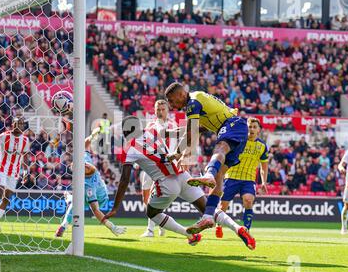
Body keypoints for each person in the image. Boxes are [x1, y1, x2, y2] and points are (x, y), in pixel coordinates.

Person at [103, 116, 255, 249]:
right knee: (207, 209)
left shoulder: (129, 148)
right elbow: (178, 131)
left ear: (125, 132)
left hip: (166, 183)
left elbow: (124, 180)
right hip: (183, 175)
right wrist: (201, 127)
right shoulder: (152, 131)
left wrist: (116, 207)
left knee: (152, 213)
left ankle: (189, 235)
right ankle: (237, 228)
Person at [164, 82, 249, 235]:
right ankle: (208, 216)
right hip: (236, 129)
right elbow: (195, 129)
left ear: (181, 94)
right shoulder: (196, 103)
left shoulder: (192, 102)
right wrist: (177, 153)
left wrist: (185, 153)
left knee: (220, 147)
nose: (170, 104)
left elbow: (191, 131)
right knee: (219, 175)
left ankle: (208, 175)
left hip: (233, 124)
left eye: (171, 100)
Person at [55, 129, 127, 237]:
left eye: (84, 164)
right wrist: (111, 226)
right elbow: (95, 210)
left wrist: (92, 136)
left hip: (94, 191)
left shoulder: (84, 160)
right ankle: (65, 222)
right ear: (82, 173)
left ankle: (69, 201)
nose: (85, 165)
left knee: (74, 201)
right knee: (76, 204)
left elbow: (85, 144)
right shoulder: (88, 186)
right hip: (100, 199)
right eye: (84, 167)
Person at [215, 118, 269, 238]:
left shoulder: (262, 146)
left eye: (255, 127)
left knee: (248, 200)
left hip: (248, 180)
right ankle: (219, 225)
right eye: (250, 126)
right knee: (223, 206)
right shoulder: (238, 141)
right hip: (231, 177)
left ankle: (246, 230)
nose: (252, 129)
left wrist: (264, 182)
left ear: (259, 130)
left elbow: (264, 166)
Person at [140, 100, 178, 238]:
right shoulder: (150, 125)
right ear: (154, 110)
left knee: (153, 196)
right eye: (158, 109)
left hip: (164, 166)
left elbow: (175, 147)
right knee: (145, 197)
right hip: (150, 164)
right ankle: (161, 223)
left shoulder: (173, 126)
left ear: (167, 110)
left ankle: (150, 230)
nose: (160, 111)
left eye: (163, 109)